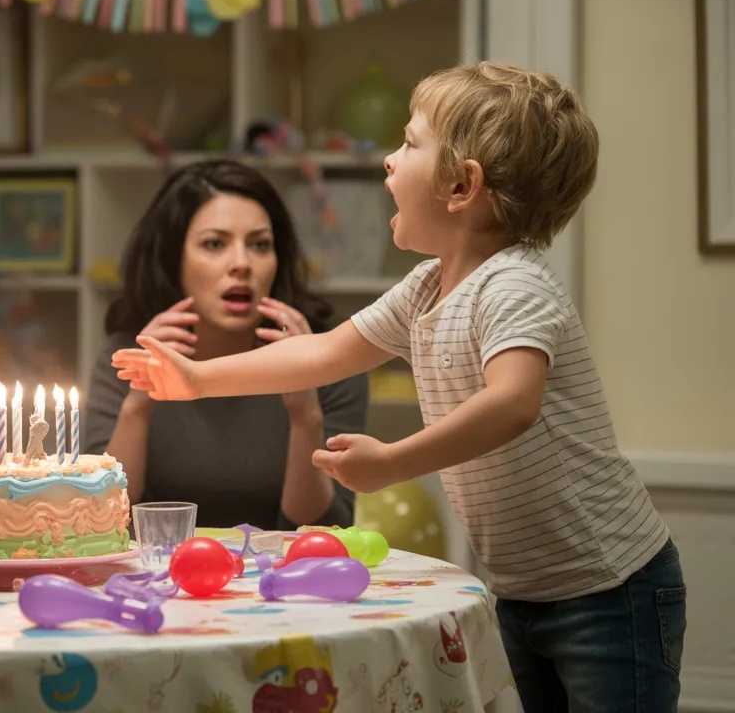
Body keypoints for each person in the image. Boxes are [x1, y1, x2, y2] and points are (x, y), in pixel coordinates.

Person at [113, 61, 684, 713]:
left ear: (462, 186)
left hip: (611, 588)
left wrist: (393, 462)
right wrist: (196, 379)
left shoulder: (514, 285)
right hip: (525, 588)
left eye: (410, 143)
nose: (389, 159)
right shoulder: (425, 288)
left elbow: (513, 402)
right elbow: (325, 352)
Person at [85, 159, 368, 530]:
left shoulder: (330, 357)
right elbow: (102, 523)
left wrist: (305, 416)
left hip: (283, 568)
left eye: (260, 245)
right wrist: (138, 404)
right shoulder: (126, 356)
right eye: (215, 244)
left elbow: (323, 528)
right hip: (158, 567)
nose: (241, 263)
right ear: (173, 259)